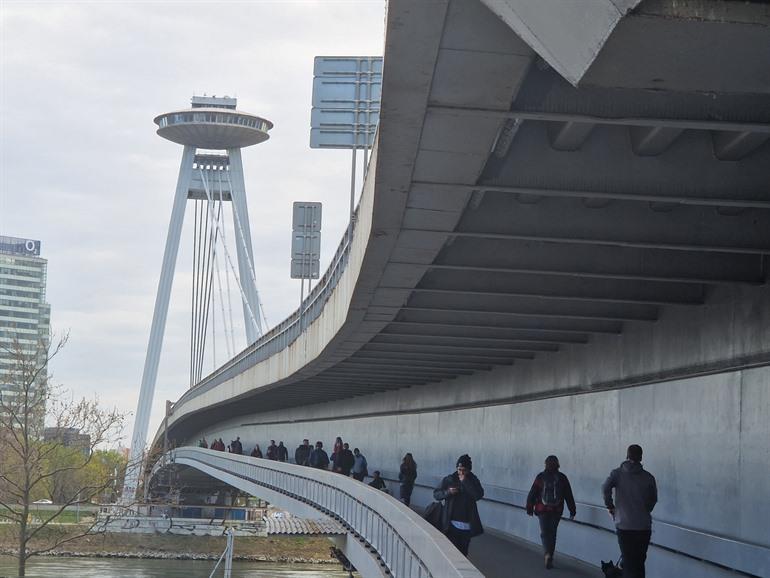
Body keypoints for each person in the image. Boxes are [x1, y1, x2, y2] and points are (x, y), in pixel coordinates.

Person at [602, 444, 658, 578]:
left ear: (627, 456)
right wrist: (645, 510)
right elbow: (653, 499)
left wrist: (611, 507)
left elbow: (605, 488)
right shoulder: (649, 477)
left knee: (629, 562)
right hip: (643, 526)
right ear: (641, 457)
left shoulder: (617, 474)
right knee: (638, 562)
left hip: (624, 525)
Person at [526, 455, 577, 569]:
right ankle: (550, 555)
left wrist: (529, 508)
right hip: (556, 510)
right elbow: (569, 495)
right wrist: (572, 510)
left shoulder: (541, 477)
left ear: (546, 464)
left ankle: (547, 554)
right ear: (557, 464)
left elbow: (532, 493)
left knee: (545, 533)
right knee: (552, 533)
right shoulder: (562, 478)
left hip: (542, 509)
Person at [433, 454, 484, 556]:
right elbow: (436, 494)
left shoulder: (473, 480)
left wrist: (465, 482)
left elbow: (478, 495)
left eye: (464, 470)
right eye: (459, 469)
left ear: (469, 470)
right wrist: (448, 492)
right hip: (451, 524)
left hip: (467, 525)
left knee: (463, 554)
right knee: (451, 554)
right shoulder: (450, 479)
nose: (461, 472)